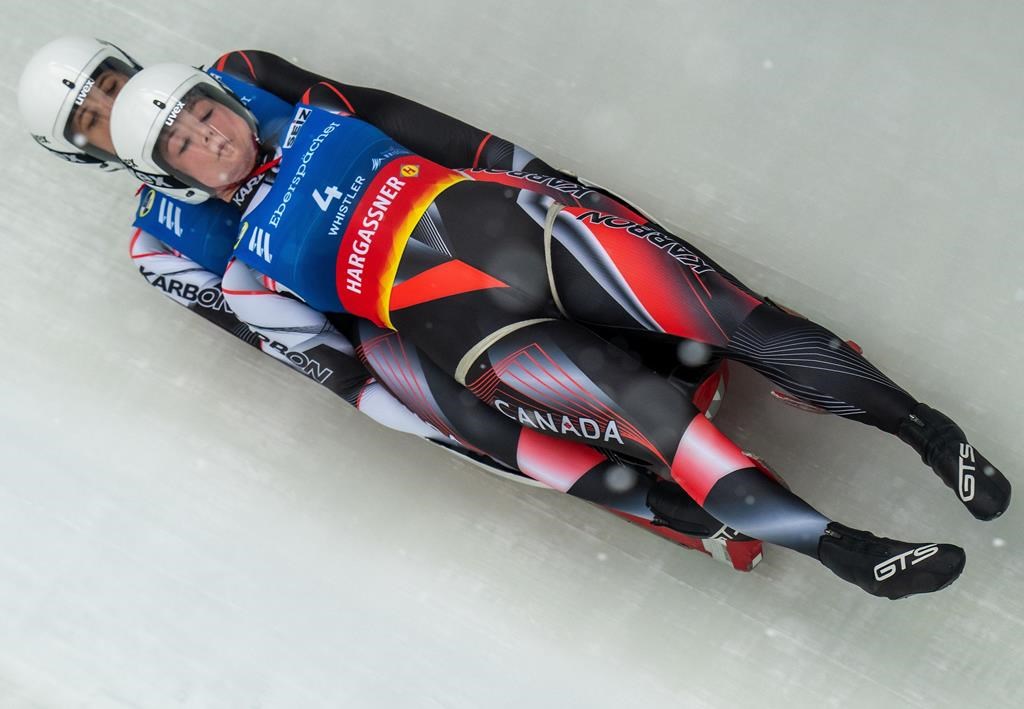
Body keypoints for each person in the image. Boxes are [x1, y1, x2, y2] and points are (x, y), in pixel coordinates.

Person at [108, 63, 1009, 599]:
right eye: (186, 143)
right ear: (173, 177)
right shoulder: (245, 266)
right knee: (660, 419)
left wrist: (562, 186)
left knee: (732, 316)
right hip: (469, 334)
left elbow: (443, 131)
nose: (212, 137)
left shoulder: (309, 113)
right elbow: (341, 368)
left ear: (223, 96)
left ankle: (928, 430)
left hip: (531, 236)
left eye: (205, 112)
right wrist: (442, 424)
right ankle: (843, 549)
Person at [18, 38, 762, 570]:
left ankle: (750, 335)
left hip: (424, 211)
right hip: (371, 312)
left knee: (561, 224)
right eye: (91, 121)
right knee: (462, 417)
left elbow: (381, 114)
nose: (110, 114)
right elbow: (271, 335)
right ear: (83, 152)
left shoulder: (238, 75)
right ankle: (679, 512)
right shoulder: (158, 243)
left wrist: (510, 168)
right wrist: (368, 393)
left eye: (110, 89)